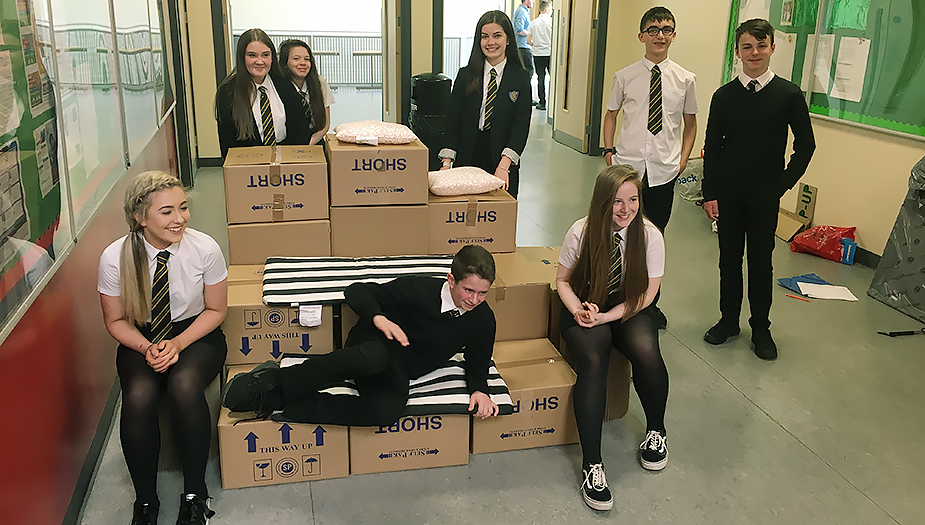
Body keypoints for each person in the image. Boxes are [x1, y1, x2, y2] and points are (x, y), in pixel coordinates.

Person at [222, 245, 500, 426]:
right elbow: (357, 291)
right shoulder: (418, 289)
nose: (474, 299)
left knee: (386, 413)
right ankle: (275, 380)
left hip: (400, 369)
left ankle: (284, 404)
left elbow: (478, 359)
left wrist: (480, 389)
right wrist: (380, 319)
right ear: (451, 280)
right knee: (373, 358)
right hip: (372, 344)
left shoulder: (483, 319)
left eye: (482, 293)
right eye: (468, 290)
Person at [98, 171, 228, 525]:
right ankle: (145, 501)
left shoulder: (205, 248)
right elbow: (115, 321)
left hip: (195, 333)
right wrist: (147, 348)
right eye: (167, 212)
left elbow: (217, 310)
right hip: (140, 336)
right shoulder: (115, 257)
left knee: (184, 387)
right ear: (140, 217)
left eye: (183, 208)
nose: (180, 219)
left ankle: (195, 495)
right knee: (138, 395)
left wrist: (178, 343)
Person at [701, 18, 815, 360]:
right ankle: (728, 321)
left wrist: (781, 185)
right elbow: (712, 147)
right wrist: (710, 193)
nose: (754, 53)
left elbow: (805, 146)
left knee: (761, 262)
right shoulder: (724, 96)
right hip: (729, 195)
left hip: (765, 196)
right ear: (737, 52)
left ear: (772, 49)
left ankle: (761, 327)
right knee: (729, 260)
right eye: (747, 47)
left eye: (761, 46)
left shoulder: (788, 95)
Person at [556, 165, 668, 512]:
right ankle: (592, 465)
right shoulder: (581, 231)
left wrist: (607, 316)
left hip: (628, 306)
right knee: (593, 360)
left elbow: (646, 295)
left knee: (646, 350)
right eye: (617, 201)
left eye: (633, 200)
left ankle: (657, 431)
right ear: (603, 201)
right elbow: (562, 281)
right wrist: (580, 311)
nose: (626, 209)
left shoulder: (650, 235)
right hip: (584, 305)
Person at [602, 6, 697, 330]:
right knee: (621, 234)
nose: (660, 34)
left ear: (674, 35)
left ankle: (648, 304)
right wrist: (609, 150)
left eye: (667, 29)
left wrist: (682, 158)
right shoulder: (625, 76)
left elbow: (690, 123)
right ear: (641, 36)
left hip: (663, 171)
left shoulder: (685, 79)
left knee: (653, 237)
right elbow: (611, 115)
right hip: (628, 168)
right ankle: (617, 297)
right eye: (654, 29)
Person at [439, 11, 532, 198]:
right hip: (469, 155)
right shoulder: (465, 75)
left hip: (503, 158)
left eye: (497, 35)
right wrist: (446, 163)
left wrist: (504, 166)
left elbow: (520, 127)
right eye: (484, 37)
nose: (491, 42)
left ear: (508, 40)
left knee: (498, 218)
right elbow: (453, 123)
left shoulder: (520, 78)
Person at [214, 28, 311, 158]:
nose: (259, 61)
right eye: (252, 55)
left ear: (272, 58)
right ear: (242, 58)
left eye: (265, 55)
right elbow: (227, 144)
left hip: (286, 164)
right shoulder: (228, 92)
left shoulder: (285, 86)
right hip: (248, 168)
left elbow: (301, 131)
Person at [278, 39, 335, 146]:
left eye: (307, 59)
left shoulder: (320, 82)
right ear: (285, 63)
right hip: (287, 144)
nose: (303, 63)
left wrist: (308, 145)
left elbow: (326, 124)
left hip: (314, 141)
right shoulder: (279, 86)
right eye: (296, 59)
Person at [512, 0, 536, 105]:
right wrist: (531, 35)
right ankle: (524, 96)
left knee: (527, 71)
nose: (534, 2)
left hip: (523, 46)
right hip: (522, 47)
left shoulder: (524, 11)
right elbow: (519, 29)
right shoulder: (521, 12)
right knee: (528, 71)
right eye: (532, 0)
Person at [530, 1, 552, 111]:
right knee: (553, 77)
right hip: (549, 53)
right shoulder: (552, 22)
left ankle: (542, 103)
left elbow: (528, 40)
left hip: (538, 54)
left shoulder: (533, 23)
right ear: (547, 9)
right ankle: (553, 103)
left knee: (541, 78)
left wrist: (537, 44)